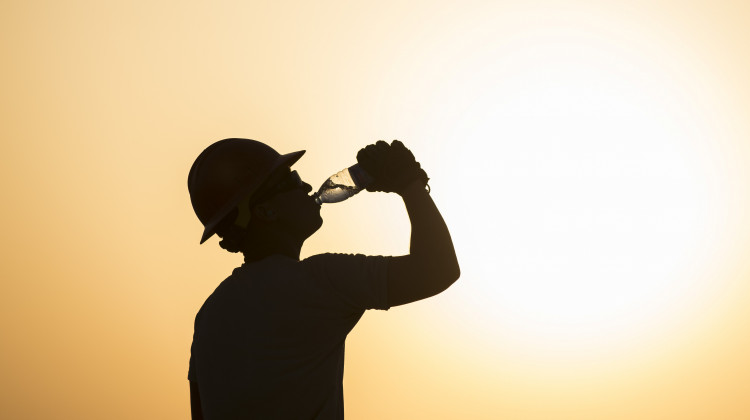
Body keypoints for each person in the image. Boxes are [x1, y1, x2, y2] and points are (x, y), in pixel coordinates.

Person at [187, 138, 460, 419]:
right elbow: (438, 269)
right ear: (265, 211)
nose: (306, 187)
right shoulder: (320, 282)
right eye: (290, 180)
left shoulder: (209, 315)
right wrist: (409, 183)